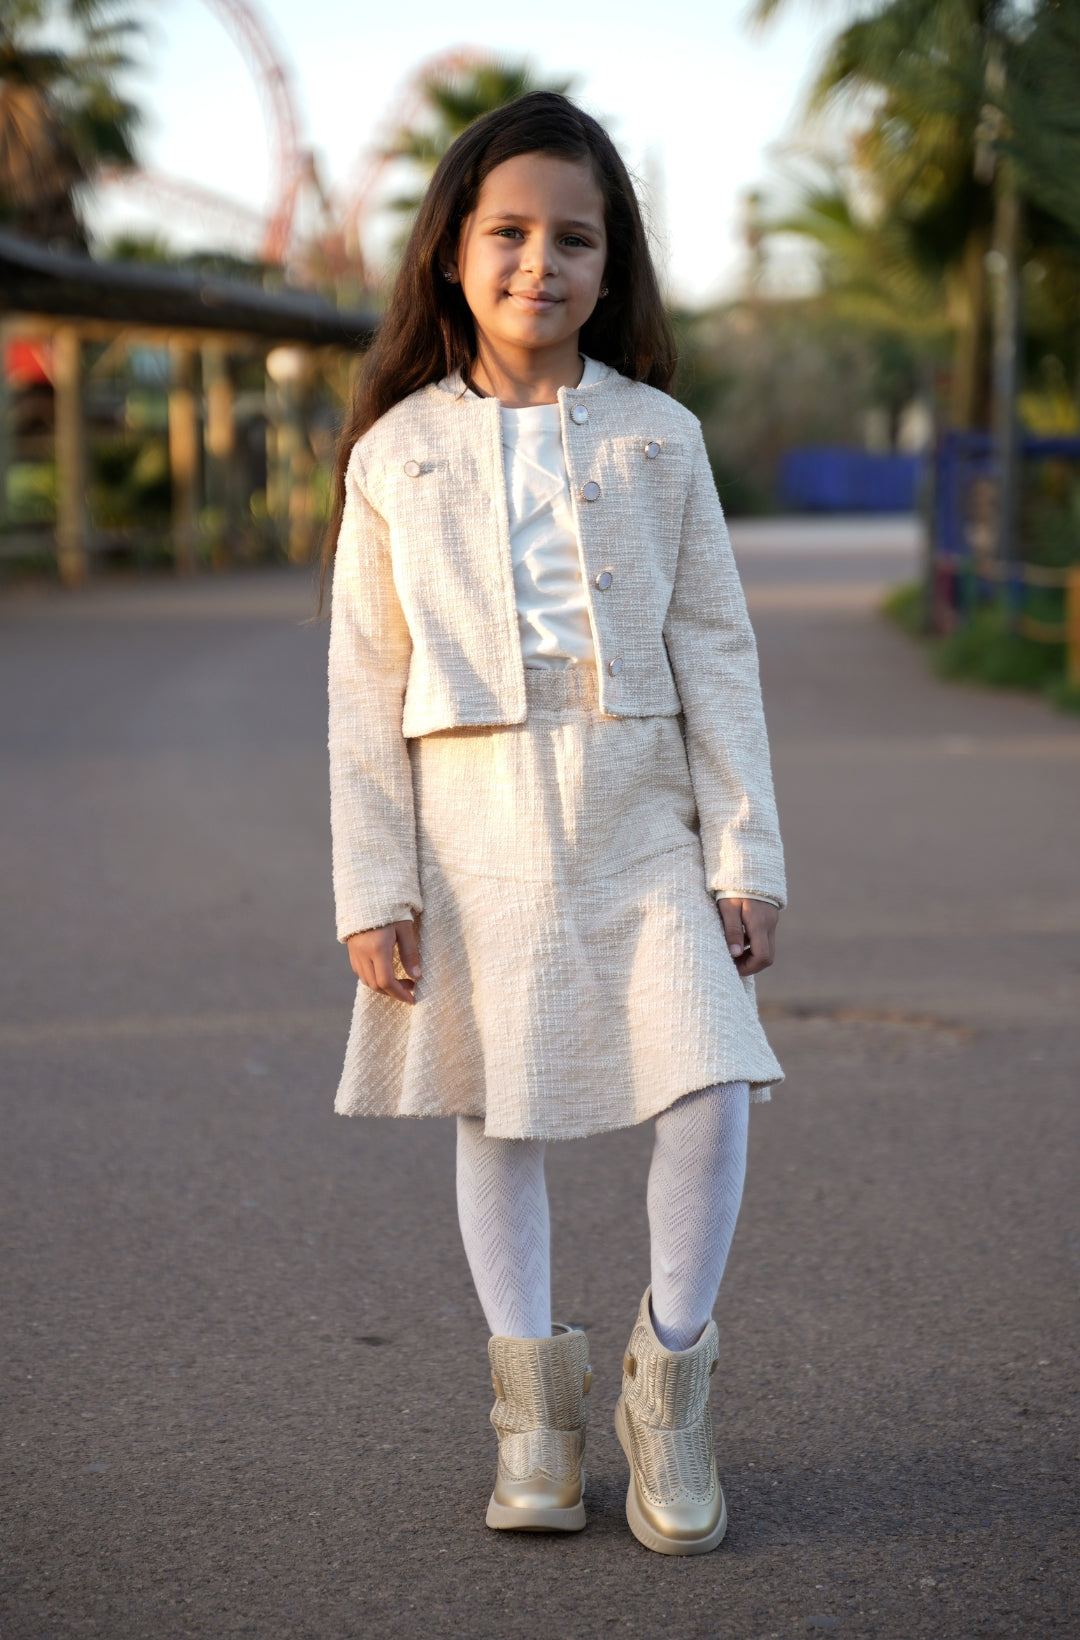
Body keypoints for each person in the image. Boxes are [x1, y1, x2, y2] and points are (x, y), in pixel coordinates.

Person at [324, 91, 786, 1556]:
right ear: (454, 253)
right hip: (470, 832)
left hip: (640, 809)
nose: (541, 263)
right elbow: (361, 686)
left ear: (612, 264)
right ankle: (534, 1414)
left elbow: (717, 646)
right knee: (497, 1106)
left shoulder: (662, 437)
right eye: (510, 232)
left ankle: (674, 1385)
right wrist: (371, 883)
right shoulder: (395, 452)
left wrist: (746, 850)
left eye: (574, 238)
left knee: (711, 1084)